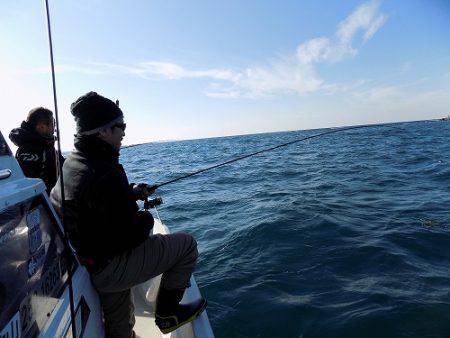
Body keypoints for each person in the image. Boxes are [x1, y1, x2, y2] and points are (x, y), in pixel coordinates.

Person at [50, 92, 206, 338]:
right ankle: (168, 315)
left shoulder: (74, 163)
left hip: (89, 259)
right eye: (119, 126)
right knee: (186, 245)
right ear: (102, 131)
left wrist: (130, 193)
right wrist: (145, 220)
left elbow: (96, 202)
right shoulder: (103, 172)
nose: (124, 132)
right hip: (111, 264)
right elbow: (128, 236)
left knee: (120, 330)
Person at [9, 107, 62, 193]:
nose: (54, 129)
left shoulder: (44, 147)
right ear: (41, 127)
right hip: (44, 203)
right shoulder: (33, 151)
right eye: (53, 125)